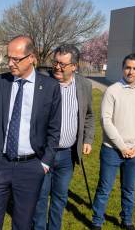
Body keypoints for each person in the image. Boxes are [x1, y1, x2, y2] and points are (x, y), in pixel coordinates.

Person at [0, 35, 62, 230]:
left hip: (31, 167)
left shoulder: (50, 87)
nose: (10, 63)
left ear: (32, 57)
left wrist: (45, 163)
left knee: (23, 223)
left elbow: (54, 130)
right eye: (8, 57)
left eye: (16, 58)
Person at [32, 44, 95, 230]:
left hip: (68, 155)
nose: (57, 67)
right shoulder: (42, 81)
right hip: (43, 153)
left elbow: (89, 115)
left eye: (63, 64)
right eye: (55, 62)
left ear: (74, 66)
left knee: (60, 197)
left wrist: (88, 139)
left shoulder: (84, 85)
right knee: (41, 196)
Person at [91, 53, 135, 230]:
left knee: (129, 190)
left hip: (134, 152)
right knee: (104, 189)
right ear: (122, 68)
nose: (130, 71)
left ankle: (127, 221)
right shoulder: (112, 90)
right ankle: (97, 222)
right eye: (128, 67)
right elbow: (105, 121)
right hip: (112, 150)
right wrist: (122, 147)